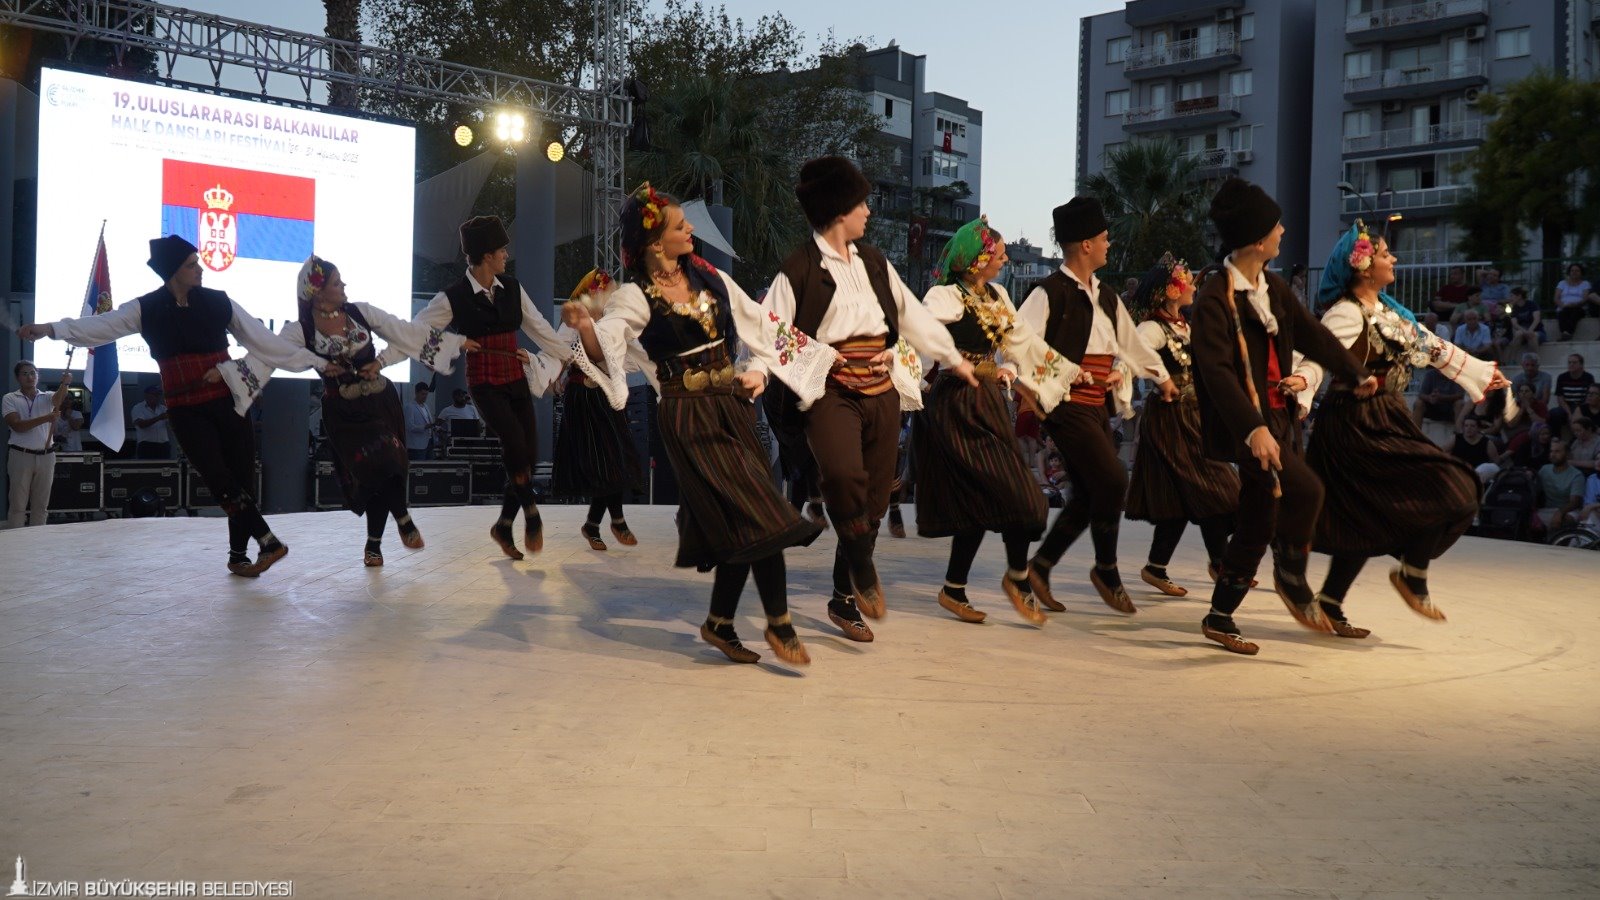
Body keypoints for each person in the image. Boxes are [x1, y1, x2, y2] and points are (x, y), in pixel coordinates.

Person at [563, 182, 825, 665]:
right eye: (680, 226)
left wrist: (760, 371)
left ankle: (720, 622)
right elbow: (607, 345)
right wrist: (585, 329)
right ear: (654, 242)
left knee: (744, 517)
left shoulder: (709, 275)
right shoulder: (634, 295)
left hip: (732, 405)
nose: (690, 230)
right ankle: (780, 623)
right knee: (761, 510)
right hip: (688, 414)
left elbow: (759, 324)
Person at [762, 156, 977, 643]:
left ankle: (842, 597)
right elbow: (769, 329)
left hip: (881, 388)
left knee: (876, 500)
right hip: (831, 389)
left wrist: (947, 356)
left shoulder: (875, 262)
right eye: (861, 203)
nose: (868, 211)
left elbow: (911, 314)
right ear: (840, 210)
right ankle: (861, 565)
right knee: (842, 476)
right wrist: (757, 370)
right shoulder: (799, 268)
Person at [20, 235, 326, 575]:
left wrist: (315, 361)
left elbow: (262, 340)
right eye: (192, 265)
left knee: (241, 479)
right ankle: (267, 540)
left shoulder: (218, 301)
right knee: (219, 478)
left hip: (229, 402)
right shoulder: (147, 308)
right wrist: (51, 329)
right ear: (173, 271)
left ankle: (238, 555)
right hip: (185, 409)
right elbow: (100, 326)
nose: (200, 269)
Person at [1188, 178, 1375, 655]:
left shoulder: (1271, 287)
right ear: (1256, 239)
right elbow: (1216, 373)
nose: (1283, 231)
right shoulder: (1214, 297)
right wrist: (1252, 430)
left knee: (1258, 517)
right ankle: (1291, 574)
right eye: (1276, 226)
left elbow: (1313, 335)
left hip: (1279, 417)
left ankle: (1219, 616)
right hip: (1249, 422)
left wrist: (1353, 371)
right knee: (1307, 490)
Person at [1296, 224, 1508, 636]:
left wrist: (1484, 374)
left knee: (1367, 516)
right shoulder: (1346, 312)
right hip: (1354, 422)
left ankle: (1333, 601)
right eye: (1385, 254)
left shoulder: (1393, 314)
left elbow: (1437, 349)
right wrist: (1303, 383)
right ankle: (1412, 572)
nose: (1393, 259)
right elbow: (1318, 354)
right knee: (1450, 485)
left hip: (1389, 415)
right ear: (1362, 266)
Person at [224, 256, 470, 566]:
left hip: (380, 401)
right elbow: (271, 353)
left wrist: (381, 361)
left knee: (391, 464)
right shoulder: (301, 330)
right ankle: (402, 519)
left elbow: (403, 332)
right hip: (343, 414)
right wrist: (230, 377)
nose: (344, 286)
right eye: (337, 283)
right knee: (374, 470)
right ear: (318, 293)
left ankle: (375, 543)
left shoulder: (360, 312)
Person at [1014, 196, 1177, 617]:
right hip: (1066, 404)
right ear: (1085, 244)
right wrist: (1056, 373)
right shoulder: (1048, 292)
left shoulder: (1106, 296)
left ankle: (1039, 567)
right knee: (1113, 479)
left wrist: (1158, 375)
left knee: (1090, 493)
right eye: (1104, 238)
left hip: (1095, 406)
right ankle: (1106, 570)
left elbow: (1130, 343)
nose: (1109, 244)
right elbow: (1015, 342)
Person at [914, 216, 1076, 625]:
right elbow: (921, 336)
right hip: (956, 405)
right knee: (1017, 493)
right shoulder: (944, 296)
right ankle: (1018, 578)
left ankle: (955, 588)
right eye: (999, 255)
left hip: (987, 401)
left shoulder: (998, 294)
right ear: (978, 260)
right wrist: (947, 363)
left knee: (984, 497)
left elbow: (1019, 341)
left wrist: (1051, 370)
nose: (1005, 260)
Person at [411, 216, 572, 560]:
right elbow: (416, 331)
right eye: (501, 251)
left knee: (529, 455)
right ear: (486, 256)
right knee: (513, 442)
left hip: (514, 378)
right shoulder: (453, 296)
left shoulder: (511, 288)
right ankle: (531, 513)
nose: (506, 256)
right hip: (484, 383)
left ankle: (503, 525)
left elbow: (540, 327)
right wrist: (455, 343)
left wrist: (568, 358)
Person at [1124, 253, 1240, 598]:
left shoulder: (1185, 326)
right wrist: (1150, 378)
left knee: (1181, 499)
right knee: (1212, 487)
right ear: (1171, 291)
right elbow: (1133, 352)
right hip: (1171, 419)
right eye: (1187, 281)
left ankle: (1157, 567)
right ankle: (1220, 563)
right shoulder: (1152, 328)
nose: (1192, 285)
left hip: (1195, 416)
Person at [551, 269, 643, 551]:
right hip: (583, 396)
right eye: (607, 292)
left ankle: (594, 524)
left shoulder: (616, 322)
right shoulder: (575, 320)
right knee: (602, 461)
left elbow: (633, 358)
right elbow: (559, 351)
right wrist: (555, 376)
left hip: (608, 395)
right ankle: (616, 520)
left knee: (614, 459)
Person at [4, 361, 70, 527]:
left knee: (41, 506)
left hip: (46, 455)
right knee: (18, 504)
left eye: (33, 373)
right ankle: (17, 540)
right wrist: (46, 418)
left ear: (38, 376)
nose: (30, 377)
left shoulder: (46, 396)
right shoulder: (10, 398)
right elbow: (17, 426)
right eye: (25, 374)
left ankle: (37, 540)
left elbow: (59, 398)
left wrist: (65, 383)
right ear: (18, 378)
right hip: (21, 455)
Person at [1535, 440, 1586, 534]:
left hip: (1569, 510)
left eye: (1557, 451)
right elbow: (1535, 489)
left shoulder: (1576, 475)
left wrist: (1560, 513)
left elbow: (1575, 502)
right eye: (1551, 451)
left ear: (1567, 454)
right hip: (1548, 509)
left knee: (1566, 519)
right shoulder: (1544, 469)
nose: (1553, 454)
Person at [1549, 353, 1595, 439]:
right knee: (1554, 413)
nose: (1571, 364)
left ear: (1581, 365)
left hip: (1582, 406)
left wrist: (1577, 411)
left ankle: (1579, 440)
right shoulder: (1562, 377)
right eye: (1569, 362)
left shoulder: (1588, 377)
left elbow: (1589, 397)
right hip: (1566, 406)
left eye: (1574, 362)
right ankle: (1556, 439)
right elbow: (1560, 398)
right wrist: (1569, 413)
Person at [1553, 263, 1599, 340]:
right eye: (1572, 270)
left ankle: (1567, 333)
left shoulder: (1585, 284)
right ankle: (1565, 333)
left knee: (1575, 313)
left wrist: (1575, 304)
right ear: (1569, 272)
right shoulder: (1562, 283)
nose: (1574, 272)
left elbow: (1585, 298)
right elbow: (1556, 298)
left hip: (1578, 307)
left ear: (1581, 273)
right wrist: (1563, 306)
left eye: (1577, 271)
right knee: (1562, 314)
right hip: (1563, 307)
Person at [129, 385, 171, 459]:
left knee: (165, 465)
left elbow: (170, 424)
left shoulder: (163, 408)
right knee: (147, 466)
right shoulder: (138, 408)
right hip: (146, 445)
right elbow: (141, 424)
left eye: (158, 395)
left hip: (164, 445)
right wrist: (159, 418)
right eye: (155, 394)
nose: (158, 397)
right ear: (147, 396)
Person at [1505, 286, 1544, 357]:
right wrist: (1525, 331)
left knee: (1532, 335)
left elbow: (1537, 319)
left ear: (1519, 296)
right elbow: (1514, 324)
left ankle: (1535, 359)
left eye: (1512, 296)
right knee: (1518, 334)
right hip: (1523, 332)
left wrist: (1530, 330)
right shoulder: (1513, 308)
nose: (1510, 298)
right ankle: (1512, 360)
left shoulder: (1532, 304)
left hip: (1537, 331)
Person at [405, 382, 433, 461]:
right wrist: (425, 427)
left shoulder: (426, 406)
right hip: (416, 446)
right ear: (416, 393)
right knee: (419, 467)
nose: (425, 397)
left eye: (426, 394)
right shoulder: (410, 407)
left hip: (429, 442)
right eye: (423, 394)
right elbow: (410, 427)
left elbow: (429, 422)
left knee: (430, 466)